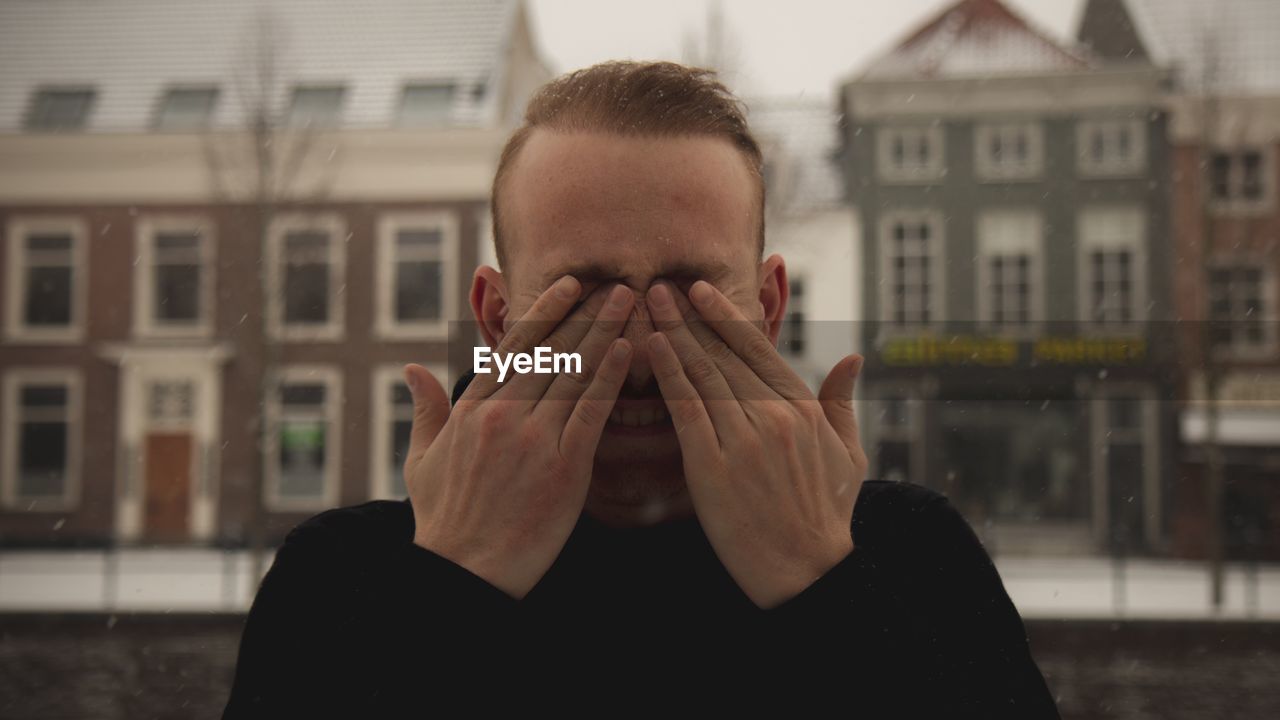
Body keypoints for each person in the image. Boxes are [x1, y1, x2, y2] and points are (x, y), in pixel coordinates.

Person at [223, 61, 1060, 717]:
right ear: (496, 318)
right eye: (583, 293)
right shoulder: (339, 577)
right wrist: (452, 587)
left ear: (766, 310)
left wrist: (823, 585)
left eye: (693, 291)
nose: (635, 342)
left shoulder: (910, 554)